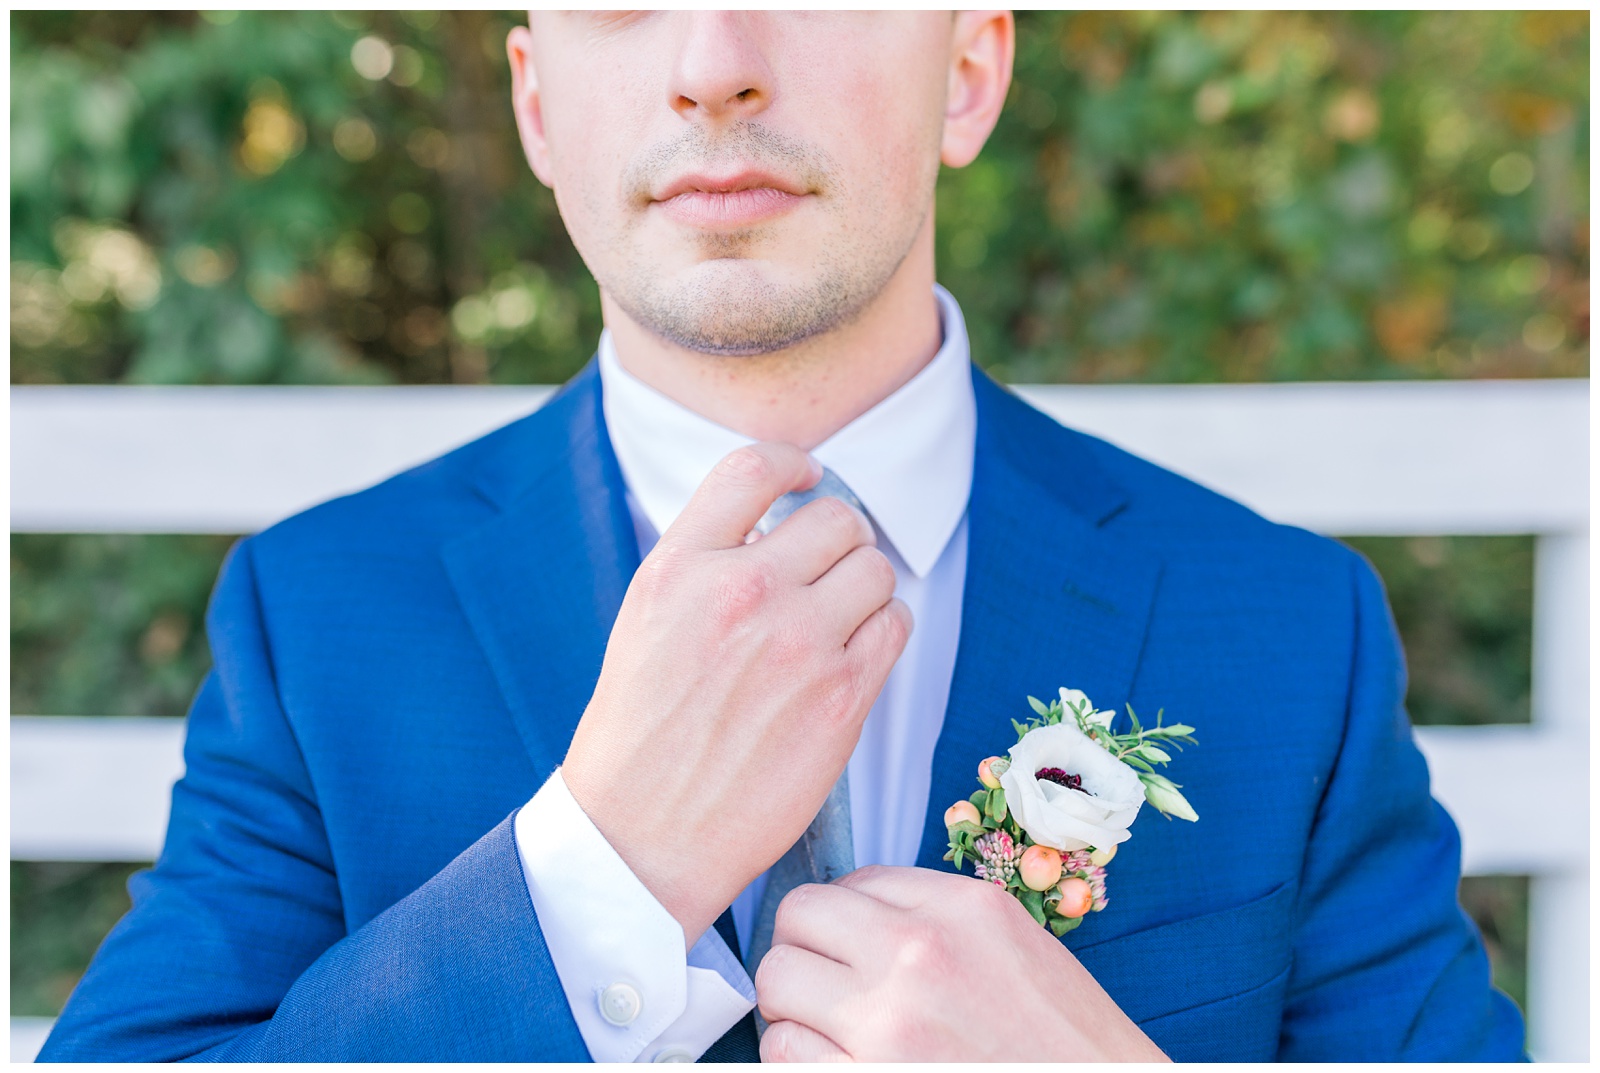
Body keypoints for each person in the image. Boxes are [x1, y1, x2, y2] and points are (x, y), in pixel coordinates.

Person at [41, 11, 1524, 1063]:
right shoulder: (315, 617)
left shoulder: (1284, 628)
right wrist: (599, 880)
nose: (712, 69)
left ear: (966, 70)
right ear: (539, 106)